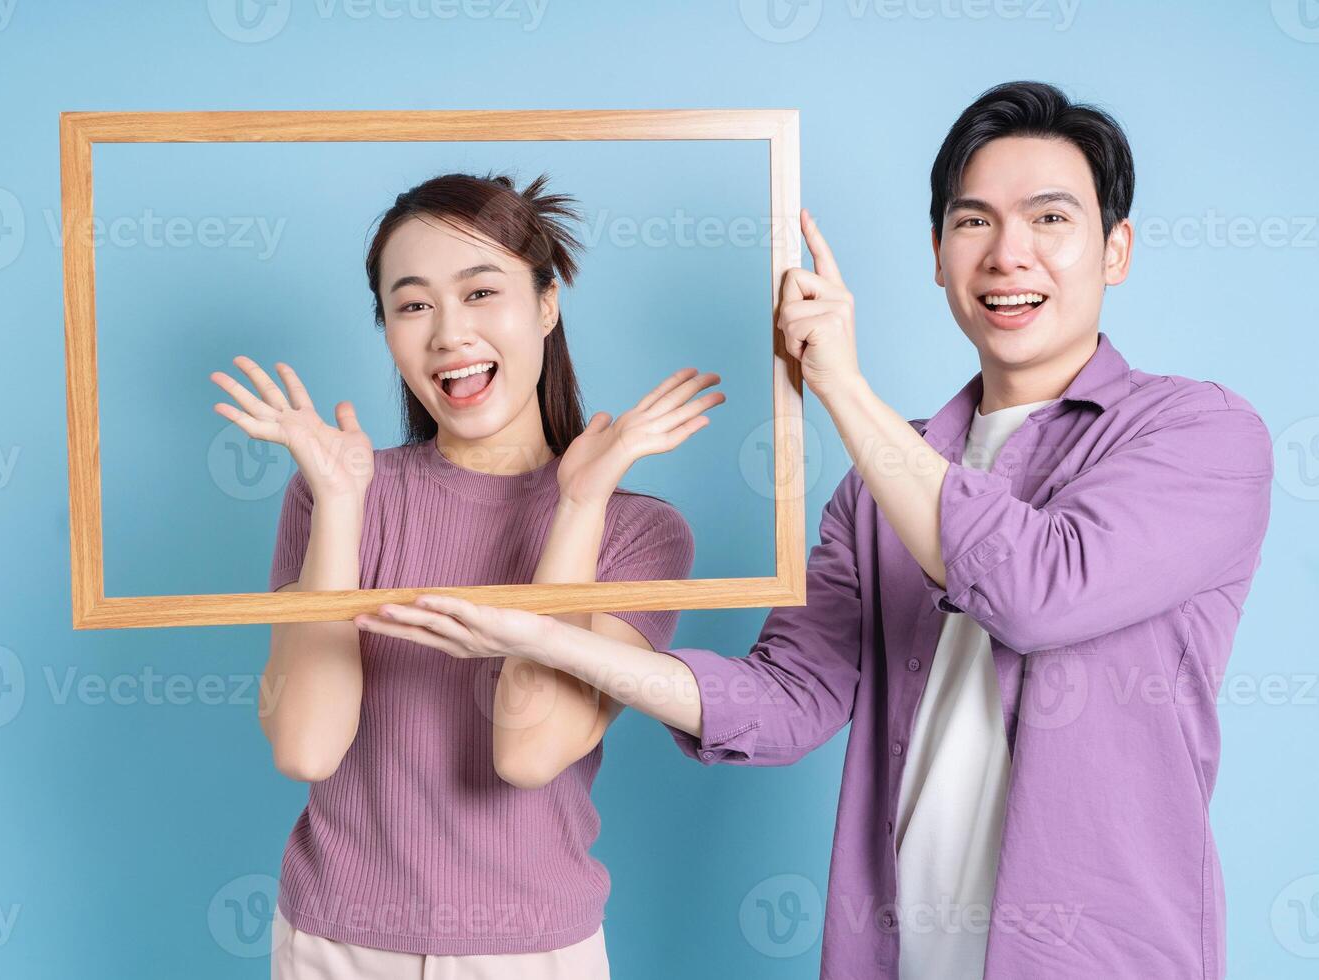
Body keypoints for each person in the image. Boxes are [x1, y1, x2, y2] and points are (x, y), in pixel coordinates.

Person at [356, 82, 1275, 979]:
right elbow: (785, 701)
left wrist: (840, 386)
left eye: (1050, 220)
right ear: (937, 252)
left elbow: (1038, 593)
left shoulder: (1200, 435)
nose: (1008, 255)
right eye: (973, 222)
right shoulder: (878, 488)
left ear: (1115, 249)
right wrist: (547, 638)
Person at [209, 172, 722, 978]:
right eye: (413, 305)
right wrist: (343, 507)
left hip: (531, 949)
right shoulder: (331, 491)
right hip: (334, 943)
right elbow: (306, 747)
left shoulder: (640, 533)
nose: (449, 333)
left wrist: (579, 503)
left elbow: (530, 749)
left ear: (547, 305)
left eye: (481, 292)